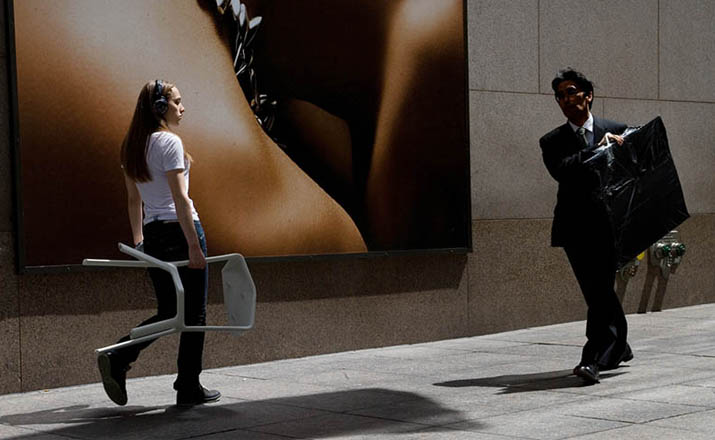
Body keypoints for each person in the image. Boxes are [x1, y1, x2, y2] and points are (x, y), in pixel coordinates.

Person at [98, 80, 220, 407]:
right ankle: (188, 386)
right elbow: (180, 199)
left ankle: (119, 356)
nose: (183, 108)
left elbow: (133, 200)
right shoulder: (169, 142)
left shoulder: (132, 146)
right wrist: (193, 246)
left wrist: (140, 241)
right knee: (194, 314)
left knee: (169, 311)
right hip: (181, 232)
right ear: (160, 108)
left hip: (154, 235)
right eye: (177, 102)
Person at [539, 68, 633, 384]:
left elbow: (632, 172)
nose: (565, 99)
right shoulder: (552, 141)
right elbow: (563, 170)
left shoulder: (616, 129)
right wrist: (598, 149)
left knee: (600, 290)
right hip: (575, 228)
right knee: (596, 290)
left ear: (588, 95)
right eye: (560, 96)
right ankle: (612, 346)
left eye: (571, 92)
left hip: (609, 226)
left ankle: (596, 356)